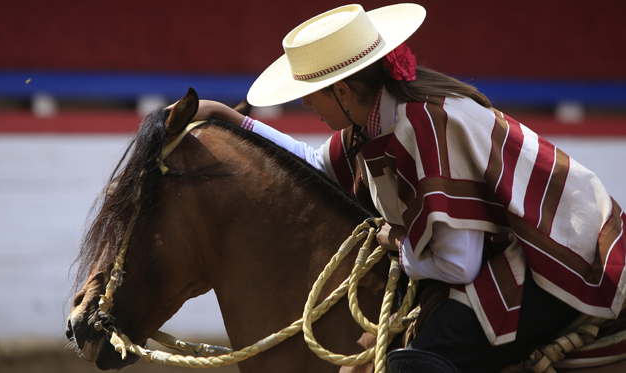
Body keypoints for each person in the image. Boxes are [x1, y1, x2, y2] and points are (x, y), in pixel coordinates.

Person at [189, 4, 626, 372]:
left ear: (343, 91)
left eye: (313, 93)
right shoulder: (374, 123)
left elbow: (458, 264)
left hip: (563, 256)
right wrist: (232, 121)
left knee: (416, 362)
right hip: (513, 247)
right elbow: (315, 166)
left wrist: (396, 240)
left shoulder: (427, 127)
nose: (305, 103)